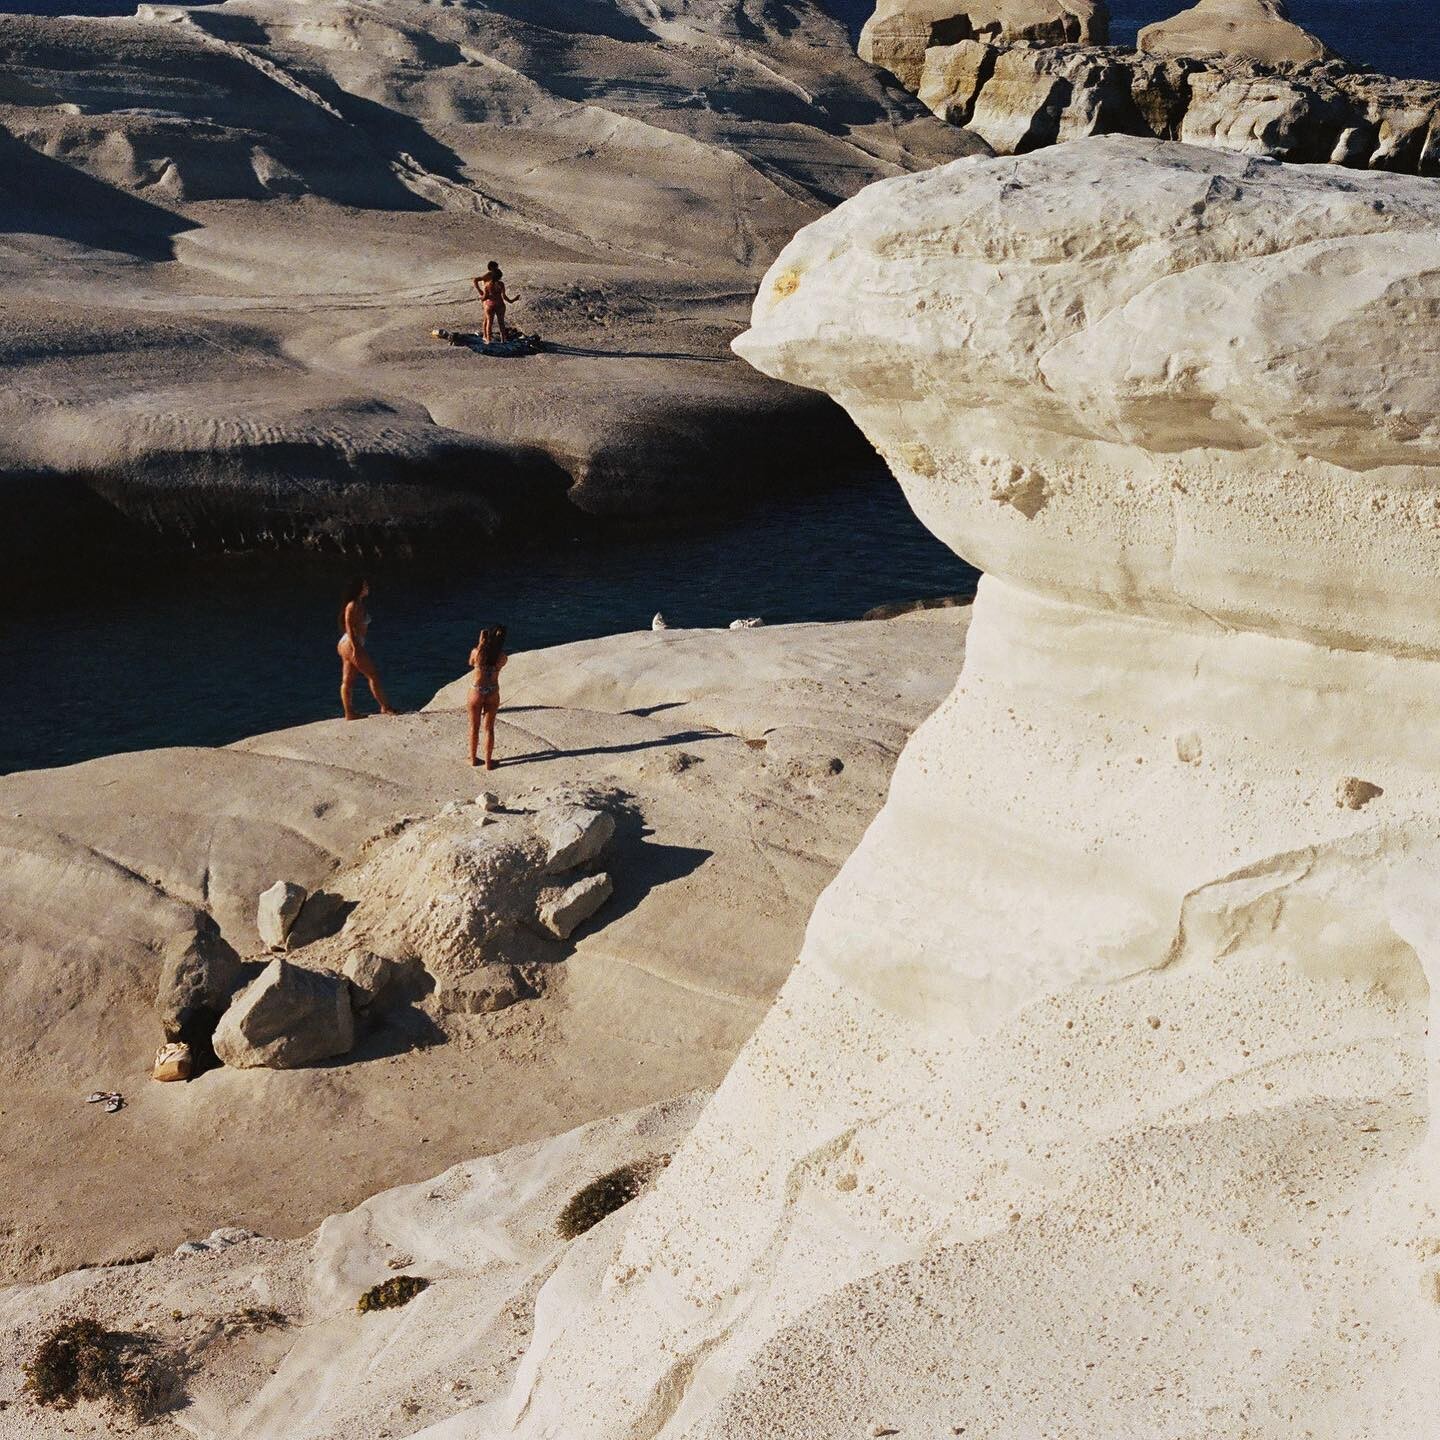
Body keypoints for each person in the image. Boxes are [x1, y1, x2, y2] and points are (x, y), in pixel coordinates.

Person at [337, 578, 396, 720]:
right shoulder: (353, 605)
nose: (367, 588)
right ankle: (385, 707)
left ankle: (349, 713)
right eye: (365, 586)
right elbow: (348, 626)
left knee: (348, 680)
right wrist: (355, 647)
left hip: (349, 644)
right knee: (372, 674)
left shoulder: (359, 604)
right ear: (359, 589)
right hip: (351, 644)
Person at [468, 624, 508, 768]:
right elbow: (496, 663)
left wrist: (481, 643)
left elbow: (471, 663)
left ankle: (473, 759)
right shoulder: (502, 657)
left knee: (474, 726)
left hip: (476, 691)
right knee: (489, 728)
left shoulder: (476, 652)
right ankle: (488, 762)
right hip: (492, 691)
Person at [472, 261, 519, 344]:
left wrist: (481, 297)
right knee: (501, 323)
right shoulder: (501, 284)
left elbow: (485, 297)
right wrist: (513, 300)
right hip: (500, 305)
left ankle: (488, 340)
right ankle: (503, 340)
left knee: (489, 322)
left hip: (489, 305)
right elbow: (504, 297)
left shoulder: (487, 285)